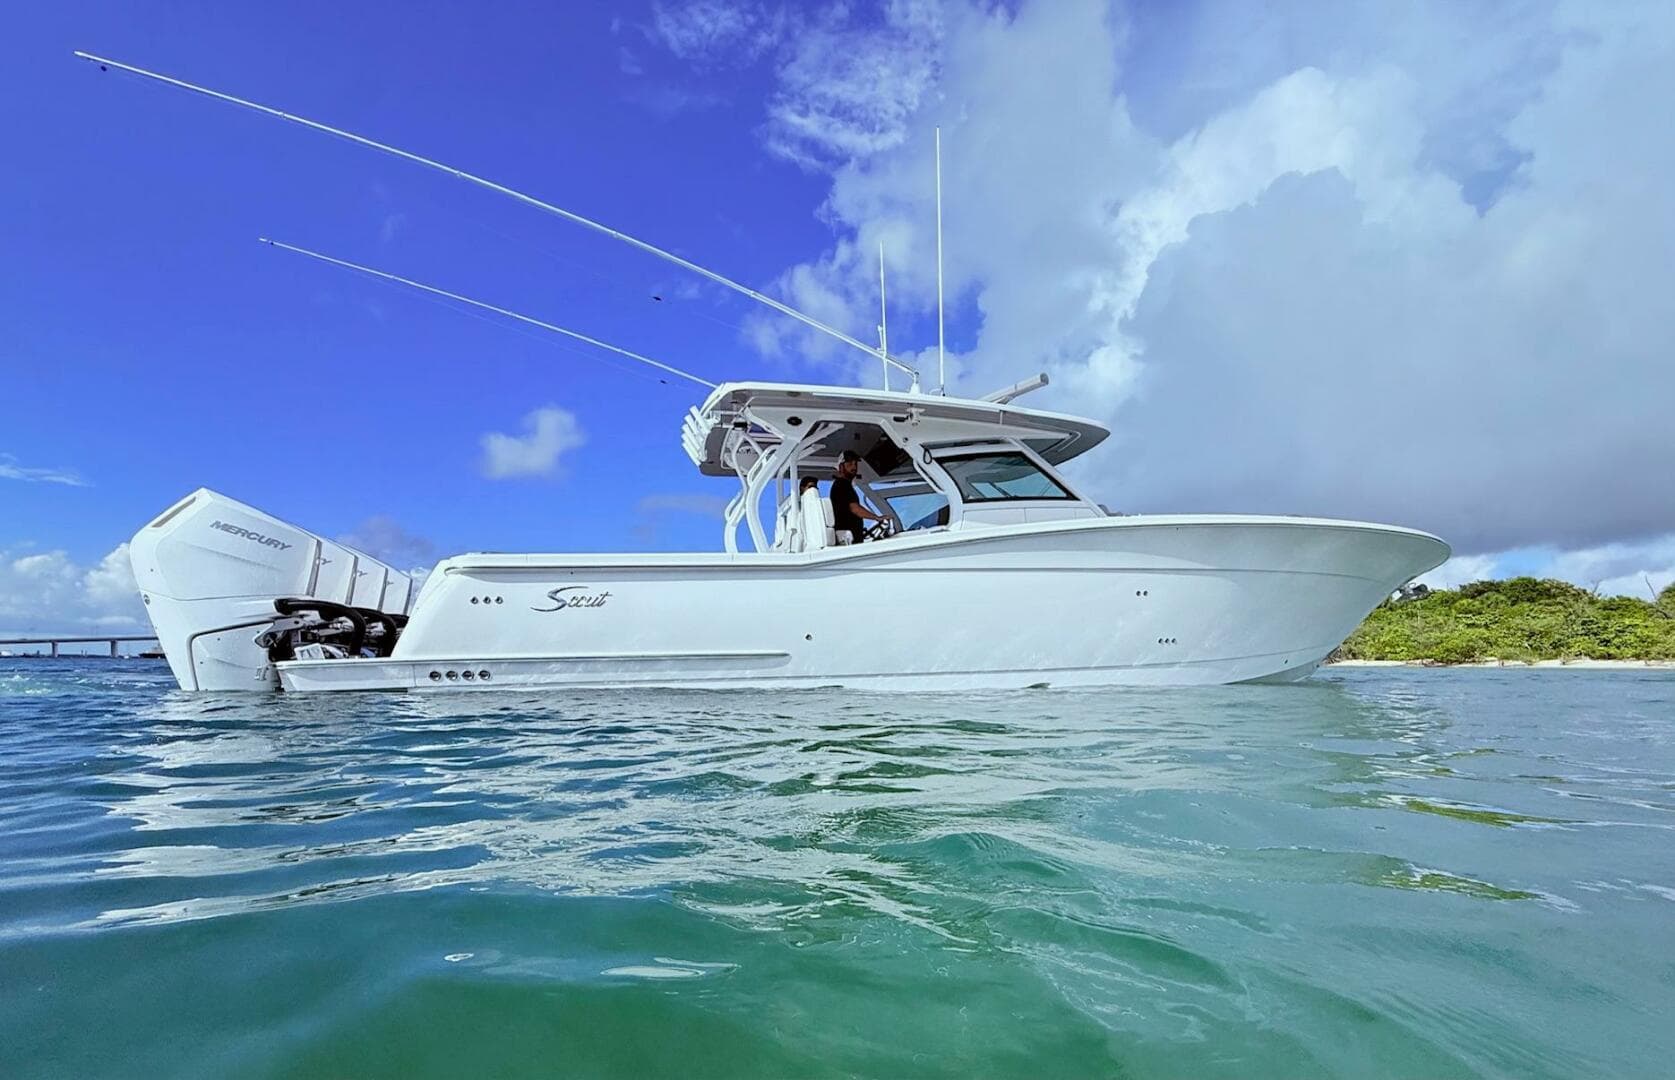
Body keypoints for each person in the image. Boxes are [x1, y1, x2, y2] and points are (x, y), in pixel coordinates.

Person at [830, 450, 888, 543]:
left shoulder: (843, 485)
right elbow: (855, 508)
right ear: (841, 467)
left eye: (855, 464)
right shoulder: (842, 484)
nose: (854, 467)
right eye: (849, 464)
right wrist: (877, 518)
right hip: (850, 540)